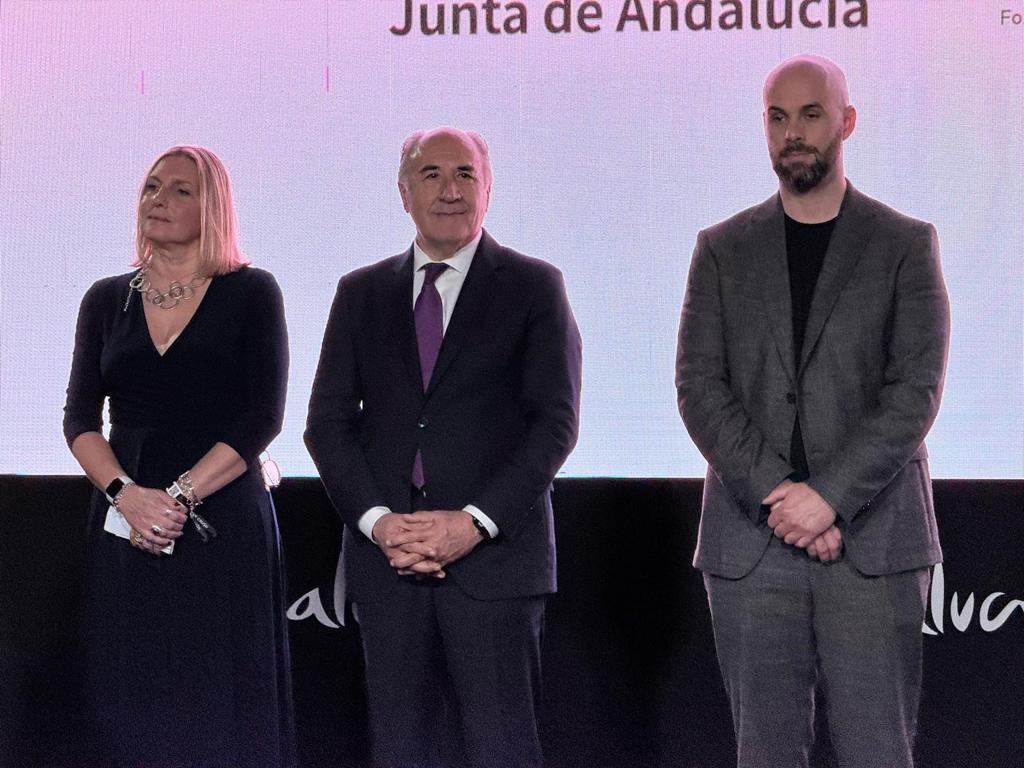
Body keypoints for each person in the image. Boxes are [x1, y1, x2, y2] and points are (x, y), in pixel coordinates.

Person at [675, 55, 950, 767]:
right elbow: (699, 387)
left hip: (873, 544)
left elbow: (914, 390)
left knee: (877, 754)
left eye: (810, 113)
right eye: (777, 117)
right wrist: (782, 498)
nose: (792, 132)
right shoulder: (721, 249)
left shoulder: (904, 244)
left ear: (846, 122)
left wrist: (827, 499)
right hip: (751, 544)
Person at [305, 127, 582, 768]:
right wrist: (379, 525)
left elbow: (555, 425)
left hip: (495, 568)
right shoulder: (360, 292)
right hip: (387, 567)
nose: (450, 189)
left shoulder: (535, 286)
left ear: (488, 189)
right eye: (431, 175)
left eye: (465, 174)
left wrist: (473, 524)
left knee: (502, 750)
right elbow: (326, 421)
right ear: (404, 193)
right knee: (398, 750)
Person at [63, 145, 295, 767]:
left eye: (180, 190)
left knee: (221, 697)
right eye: (150, 187)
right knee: (129, 695)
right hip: (126, 519)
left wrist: (179, 497)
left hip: (222, 521)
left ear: (213, 206)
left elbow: (262, 417)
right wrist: (126, 496)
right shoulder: (105, 299)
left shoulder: (251, 291)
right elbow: (80, 420)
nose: (158, 200)